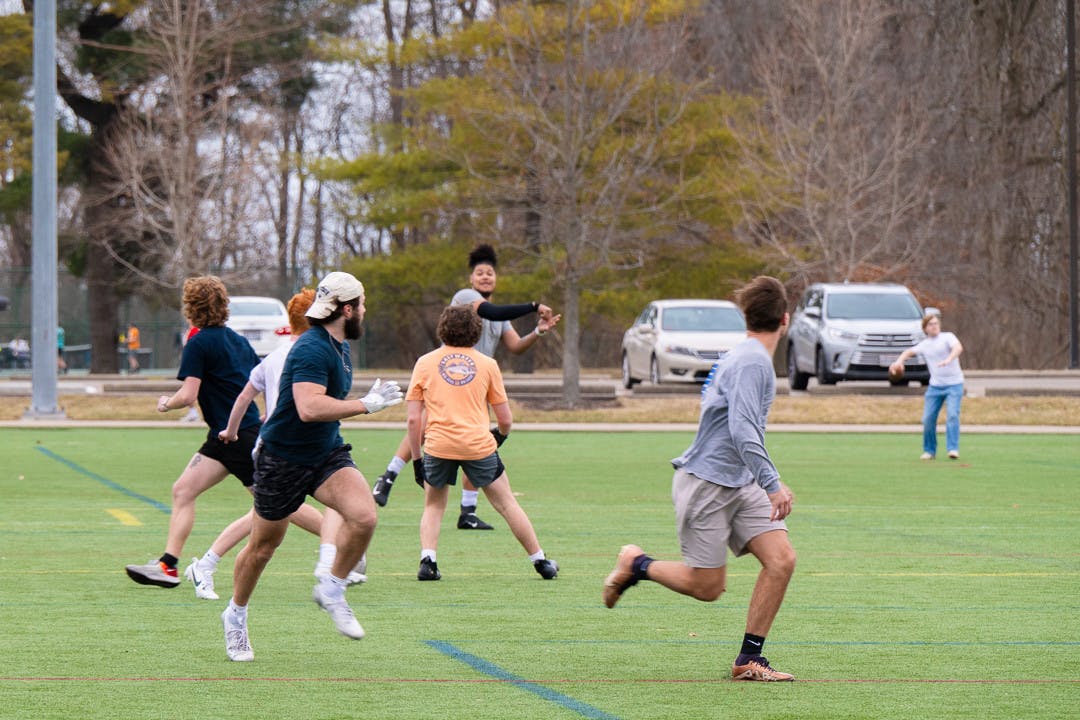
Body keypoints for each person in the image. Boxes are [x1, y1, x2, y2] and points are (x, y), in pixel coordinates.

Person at [600, 276, 797, 683]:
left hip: (739, 481)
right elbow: (743, 429)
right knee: (707, 587)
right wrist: (773, 482)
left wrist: (760, 480)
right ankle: (637, 563)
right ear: (785, 319)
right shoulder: (753, 361)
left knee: (781, 560)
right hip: (707, 483)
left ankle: (749, 659)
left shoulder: (746, 355)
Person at [221, 271, 402, 662]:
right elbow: (308, 407)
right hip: (282, 459)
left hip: (326, 454)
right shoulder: (311, 349)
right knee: (263, 547)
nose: (366, 312)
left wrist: (362, 400)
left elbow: (325, 405)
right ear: (348, 309)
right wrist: (365, 404)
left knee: (364, 516)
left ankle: (332, 588)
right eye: (363, 305)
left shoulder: (340, 347)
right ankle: (235, 615)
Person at [183, 289, 363, 601]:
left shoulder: (300, 353)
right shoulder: (299, 353)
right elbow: (270, 398)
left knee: (269, 514)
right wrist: (233, 431)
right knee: (272, 520)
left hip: (305, 446)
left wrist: (236, 428)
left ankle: (208, 563)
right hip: (283, 452)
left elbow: (253, 396)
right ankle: (331, 559)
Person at [372, 244, 560, 532]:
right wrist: (534, 306)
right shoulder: (466, 298)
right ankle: (389, 475)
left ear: (496, 279)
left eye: (490, 273)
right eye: (480, 273)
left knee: (478, 438)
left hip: (476, 383)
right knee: (423, 422)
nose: (485, 277)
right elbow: (491, 311)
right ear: (472, 279)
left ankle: (468, 511)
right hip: (449, 375)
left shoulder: (500, 316)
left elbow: (515, 346)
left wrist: (537, 331)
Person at [125, 276, 263, 589]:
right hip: (226, 436)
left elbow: (187, 396)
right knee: (183, 491)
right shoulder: (238, 341)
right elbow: (258, 383)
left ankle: (339, 545)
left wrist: (165, 404)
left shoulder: (198, 342)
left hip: (237, 438)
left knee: (282, 504)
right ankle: (168, 566)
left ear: (191, 308)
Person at [406, 304, 558, 582]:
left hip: (438, 446)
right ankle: (541, 562)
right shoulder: (488, 365)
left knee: (434, 506)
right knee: (507, 504)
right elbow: (506, 420)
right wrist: (496, 440)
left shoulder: (425, 363)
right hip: (478, 445)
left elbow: (414, 421)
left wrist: (417, 460)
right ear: (476, 332)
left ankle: (428, 561)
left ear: (443, 329)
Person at [890, 313, 965, 460]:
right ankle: (929, 451)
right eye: (931, 324)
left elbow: (958, 348)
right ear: (925, 328)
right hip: (935, 387)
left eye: (936, 323)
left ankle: (953, 449)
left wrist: (948, 359)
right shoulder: (925, 344)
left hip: (954, 384)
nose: (935, 326)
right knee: (928, 418)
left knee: (952, 415)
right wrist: (898, 362)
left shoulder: (948, 337)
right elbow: (908, 352)